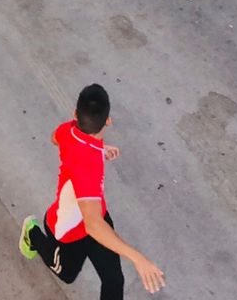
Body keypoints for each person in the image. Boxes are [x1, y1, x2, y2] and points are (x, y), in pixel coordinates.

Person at [19, 84, 165, 299]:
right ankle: (32, 232)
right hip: (70, 230)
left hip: (94, 213)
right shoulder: (89, 169)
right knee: (67, 274)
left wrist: (98, 150)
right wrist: (139, 259)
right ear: (108, 120)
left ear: (76, 114)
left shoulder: (69, 130)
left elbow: (55, 139)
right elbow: (94, 225)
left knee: (114, 280)